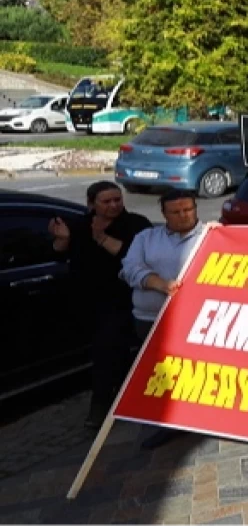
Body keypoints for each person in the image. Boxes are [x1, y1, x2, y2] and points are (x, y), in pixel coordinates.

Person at [49, 181, 153, 428]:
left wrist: (102, 238)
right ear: (91, 204)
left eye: (117, 200)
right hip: (86, 302)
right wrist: (62, 240)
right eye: (106, 201)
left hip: (121, 301)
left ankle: (102, 407)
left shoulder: (136, 225)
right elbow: (59, 255)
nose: (114, 205)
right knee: (107, 354)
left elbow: (132, 257)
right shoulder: (78, 225)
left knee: (108, 353)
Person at [120, 189, 212, 449]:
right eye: (176, 212)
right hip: (150, 319)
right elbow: (130, 268)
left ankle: (197, 419)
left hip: (195, 320)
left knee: (195, 371)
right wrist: (159, 284)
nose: (184, 216)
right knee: (160, 375)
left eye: (189, 209)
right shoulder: (146, 238)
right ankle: (165, 424)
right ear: (163, 214)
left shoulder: (211, 235)